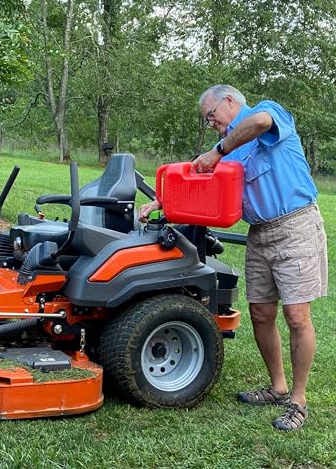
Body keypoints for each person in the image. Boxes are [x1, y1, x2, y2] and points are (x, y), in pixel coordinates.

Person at [139, 84, 328, 431]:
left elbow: (258, 122)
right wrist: (163, 204)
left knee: (297, 315)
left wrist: (218, 150)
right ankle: (278, 387)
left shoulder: (264, 113)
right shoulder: (228, 150)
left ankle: (298, 400)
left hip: (295, 224)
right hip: (259, 232)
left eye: (211, 116)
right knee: (260, 311)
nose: (211, 123)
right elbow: (202, 188)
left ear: (229, 101)